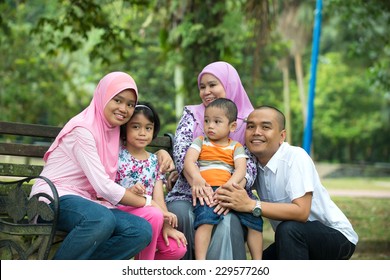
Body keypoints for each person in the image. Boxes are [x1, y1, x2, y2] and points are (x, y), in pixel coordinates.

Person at [30, 71, 174, 260]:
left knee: (140, 230)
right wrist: (149, 202)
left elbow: (136, 152)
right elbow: (102, 186)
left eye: (130, 104)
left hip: (89, 203)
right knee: (100, 220)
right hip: (52, 198)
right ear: (103, 96)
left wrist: (161, 152)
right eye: (118, 100)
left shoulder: (112, 130)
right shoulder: (83, 130)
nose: (124, 108)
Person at [214, 105, 358, 259]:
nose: (256, 132)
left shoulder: (295, 157)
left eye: (265, 127)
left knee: (288, 228)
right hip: (291, 238)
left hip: (336, 237)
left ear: (282, 136)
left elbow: (301, 212)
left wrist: (250, 205)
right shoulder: (251, 165)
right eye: (251, 126)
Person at [165, 61, 256, 260]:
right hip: (188, 190)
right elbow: (182, 153)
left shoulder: (248, 120)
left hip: (230, 192)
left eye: (213, 84)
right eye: (202, 87)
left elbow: (249, 166)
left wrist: (228, 192)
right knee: (181, 214)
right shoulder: (192, 114)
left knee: (228, 222)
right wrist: (197, 181)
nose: (206, 91)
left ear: (229, 84)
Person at [184, 98, 263, 260]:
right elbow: (189, 161)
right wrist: (197, 178)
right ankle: (200, 262)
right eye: (206, 121)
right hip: (208, 190)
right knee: (205, 221)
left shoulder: (236, 146)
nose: (210, 126)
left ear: (232, 126)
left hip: (230, 188)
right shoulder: (201, 141)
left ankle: (258, 262)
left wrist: (230, 185)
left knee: (255, 221)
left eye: (217, 122)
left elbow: (241, 169)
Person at [115, 102, 187, 260]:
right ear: (125, 128)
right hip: (120, 213)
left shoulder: (155, 161)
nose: (142, 133)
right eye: (135, 127)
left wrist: (167, 225)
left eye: (148, 128)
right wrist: (130, 192)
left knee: (177, 248)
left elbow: (159, 198)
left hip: (152, 217)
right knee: (154, 214)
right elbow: (108, 190)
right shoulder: (117, 156)